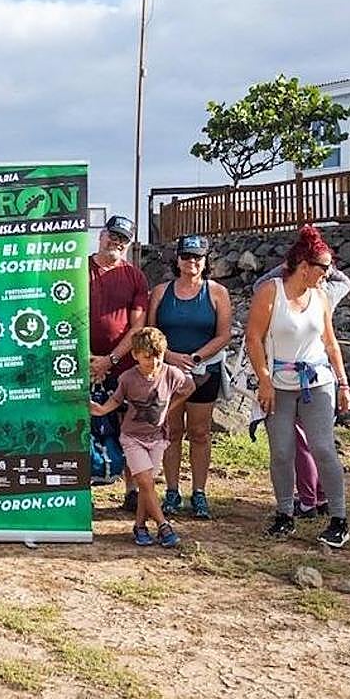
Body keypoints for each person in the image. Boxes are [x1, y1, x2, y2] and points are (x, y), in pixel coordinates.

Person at [245, 225, 350, 548]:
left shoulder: (320, 296)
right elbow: (253, 338)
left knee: (322, 447)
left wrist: (343, 383)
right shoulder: (270, 292)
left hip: (317, 381)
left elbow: (330, 343)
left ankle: (339, 519)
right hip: (279, 381)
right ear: (304, 266)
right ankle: (284, 514)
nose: (328, 274)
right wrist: (264, 381)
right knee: (281, 451)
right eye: (324, 268)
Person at [147, 234, 232, 520]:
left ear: (205, 261)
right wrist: (169, 356)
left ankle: (199, 492)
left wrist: (196, 357)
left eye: (197, 257)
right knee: (171, 432)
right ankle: (171, 490)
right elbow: (151, 332)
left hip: (204, 370)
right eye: (186, 256)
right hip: (168, 370)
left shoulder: (217, 292)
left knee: (200, 432)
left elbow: (224, 335)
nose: (191, 262)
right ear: (178, 259)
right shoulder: (161, 292)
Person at [90, 327, 193, 547]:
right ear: (135, 355)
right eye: (147, 358)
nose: (154, 363)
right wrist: (99, 410)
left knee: (147, 487)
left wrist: (169, 408)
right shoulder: (128, 378)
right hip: (132, 437)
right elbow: (116, 401)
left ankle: (140, 526)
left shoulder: (170, 373)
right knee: (145, 481)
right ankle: (164, 525)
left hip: (157, 437)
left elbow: (189, 387)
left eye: (158, 357)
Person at [88, 214, 150, 512]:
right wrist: (88, 360)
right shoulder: (78, 268)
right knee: (81, 426)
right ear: (102, 235)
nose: (117, 242)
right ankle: (79, 488)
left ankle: (132, 489)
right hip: (80, 363)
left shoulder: (135, 277)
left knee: (128, 427)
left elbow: (137, 327)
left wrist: (109, 360)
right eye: (113, 235)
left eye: (123, 239)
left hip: (123, 365)